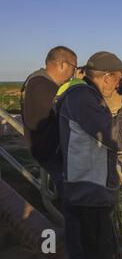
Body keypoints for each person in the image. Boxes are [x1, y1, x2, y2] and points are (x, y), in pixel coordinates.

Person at [54, 51, 122, 259]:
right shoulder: (82, 98)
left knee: (89, 253)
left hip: (85, 191)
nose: (118, 85)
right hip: (88, 196)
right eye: (119, 80)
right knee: (96, 256)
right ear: (106, 77)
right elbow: (117, 139)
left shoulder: (84, 96)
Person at [21, 46, 77, 194]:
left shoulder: (39, 81)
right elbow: (71, 111)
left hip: (47, 150)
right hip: (51, 153)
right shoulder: (42, 85)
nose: (74, 73)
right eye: (74, 68)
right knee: (71, 198)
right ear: (63, 64)